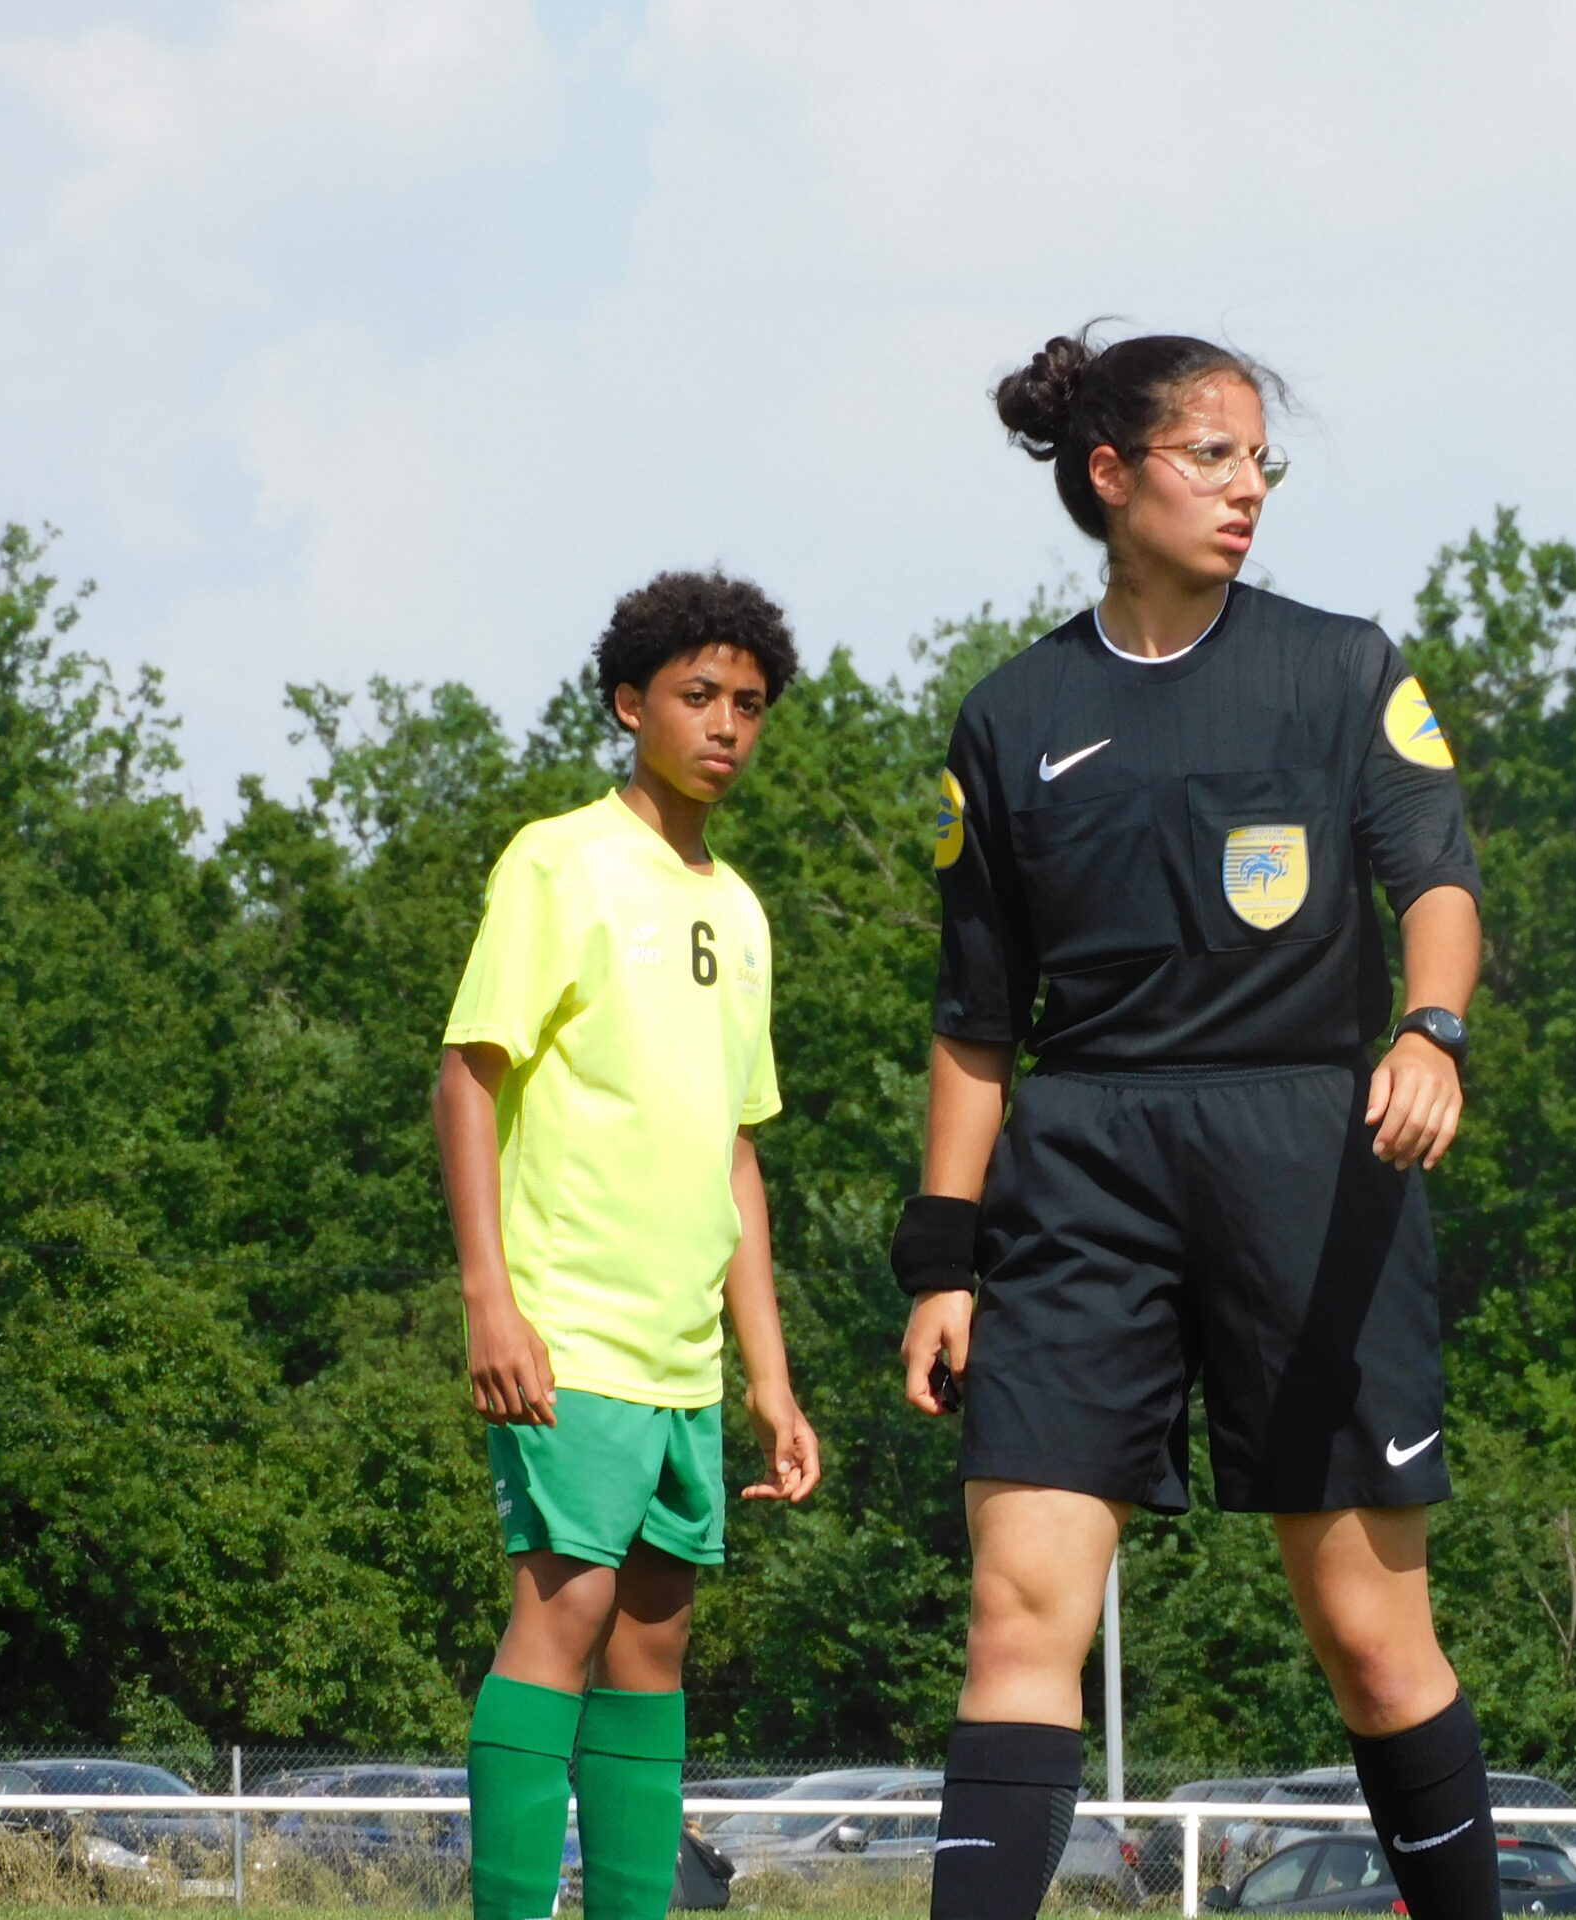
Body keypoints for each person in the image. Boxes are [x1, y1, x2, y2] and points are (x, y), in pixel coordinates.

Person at [891, 326, 1499, 1920]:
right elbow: (974, 1026)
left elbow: (1436, 881)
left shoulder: (1340, 667)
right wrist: (940, 1263)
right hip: (1082, 1169)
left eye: (1258, 461)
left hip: (1312, 1155)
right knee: (1019, 1617)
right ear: (1111, 475)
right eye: (1211, 456)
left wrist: (1428, 1031)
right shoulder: (1010, 717)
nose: (1247, 490)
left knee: (1370, 1639)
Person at [434, 570, 823, 1920]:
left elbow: (734, 1153)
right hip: (570, 1326)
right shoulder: (562, 861)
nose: (726, 725)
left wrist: (767, 1381)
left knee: (656, 1646)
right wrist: (493, 1300)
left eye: (750, 705)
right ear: (630, 703)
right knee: (569, 1614)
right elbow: (468, 1074)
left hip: (682, 1358)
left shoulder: (745, 910)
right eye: (698, 695)